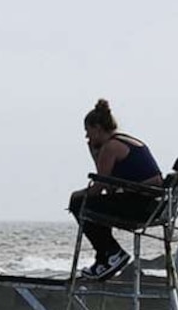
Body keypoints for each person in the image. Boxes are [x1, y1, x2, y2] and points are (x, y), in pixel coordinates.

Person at [69, 98, 165, 280]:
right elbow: (110, 188)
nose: (87, 138)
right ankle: (104, 258)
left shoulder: (110, 147)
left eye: (88, 132)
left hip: (141, 207)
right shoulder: (126, 140)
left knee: (79, 203)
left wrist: (76, 195)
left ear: (97, 128)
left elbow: (99, 187)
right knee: (95, 205)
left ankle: (112, 254)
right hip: (154, 204)